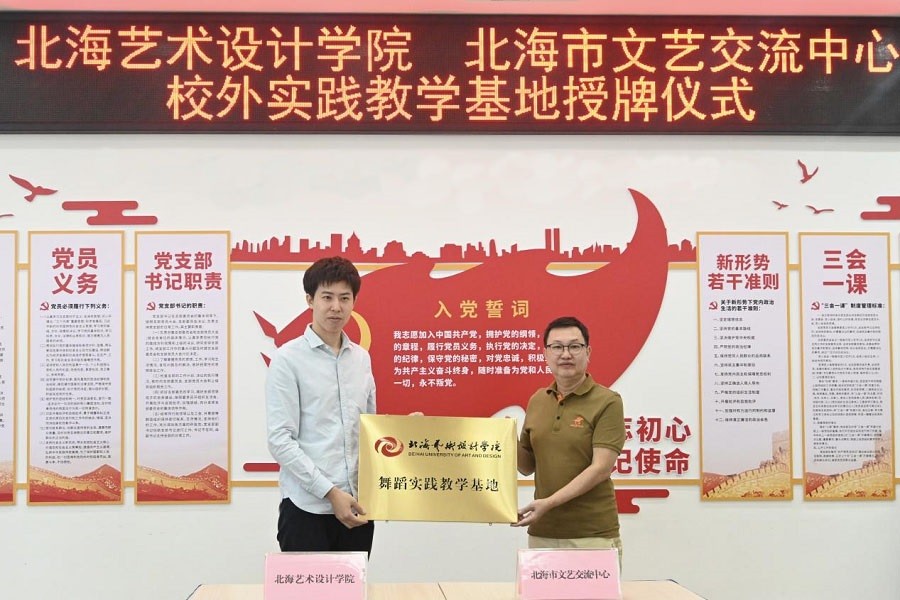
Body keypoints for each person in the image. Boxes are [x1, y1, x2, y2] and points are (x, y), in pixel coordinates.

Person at [266, 256, 376, 554]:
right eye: (327, 297)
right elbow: (280, 440)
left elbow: (369, 429)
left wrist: (403, 431)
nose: (336, 307)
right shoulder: (287, 359)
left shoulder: (361, 359)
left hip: (356, 507)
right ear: (310, 300)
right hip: (306, 509)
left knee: (353, 584)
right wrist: (330, 492)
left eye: (344, 298)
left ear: (354, 302)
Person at [514, 315, 626, 563]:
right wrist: (503, 440)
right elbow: (526, 466)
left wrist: (548, 503)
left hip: (591, 534)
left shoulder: (608, 401)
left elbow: (600, 469)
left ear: (588, 352)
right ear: (546, 353)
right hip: (543, 532)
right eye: (557, 347)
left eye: (574, 346)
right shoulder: (537, 400)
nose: (565, 354)